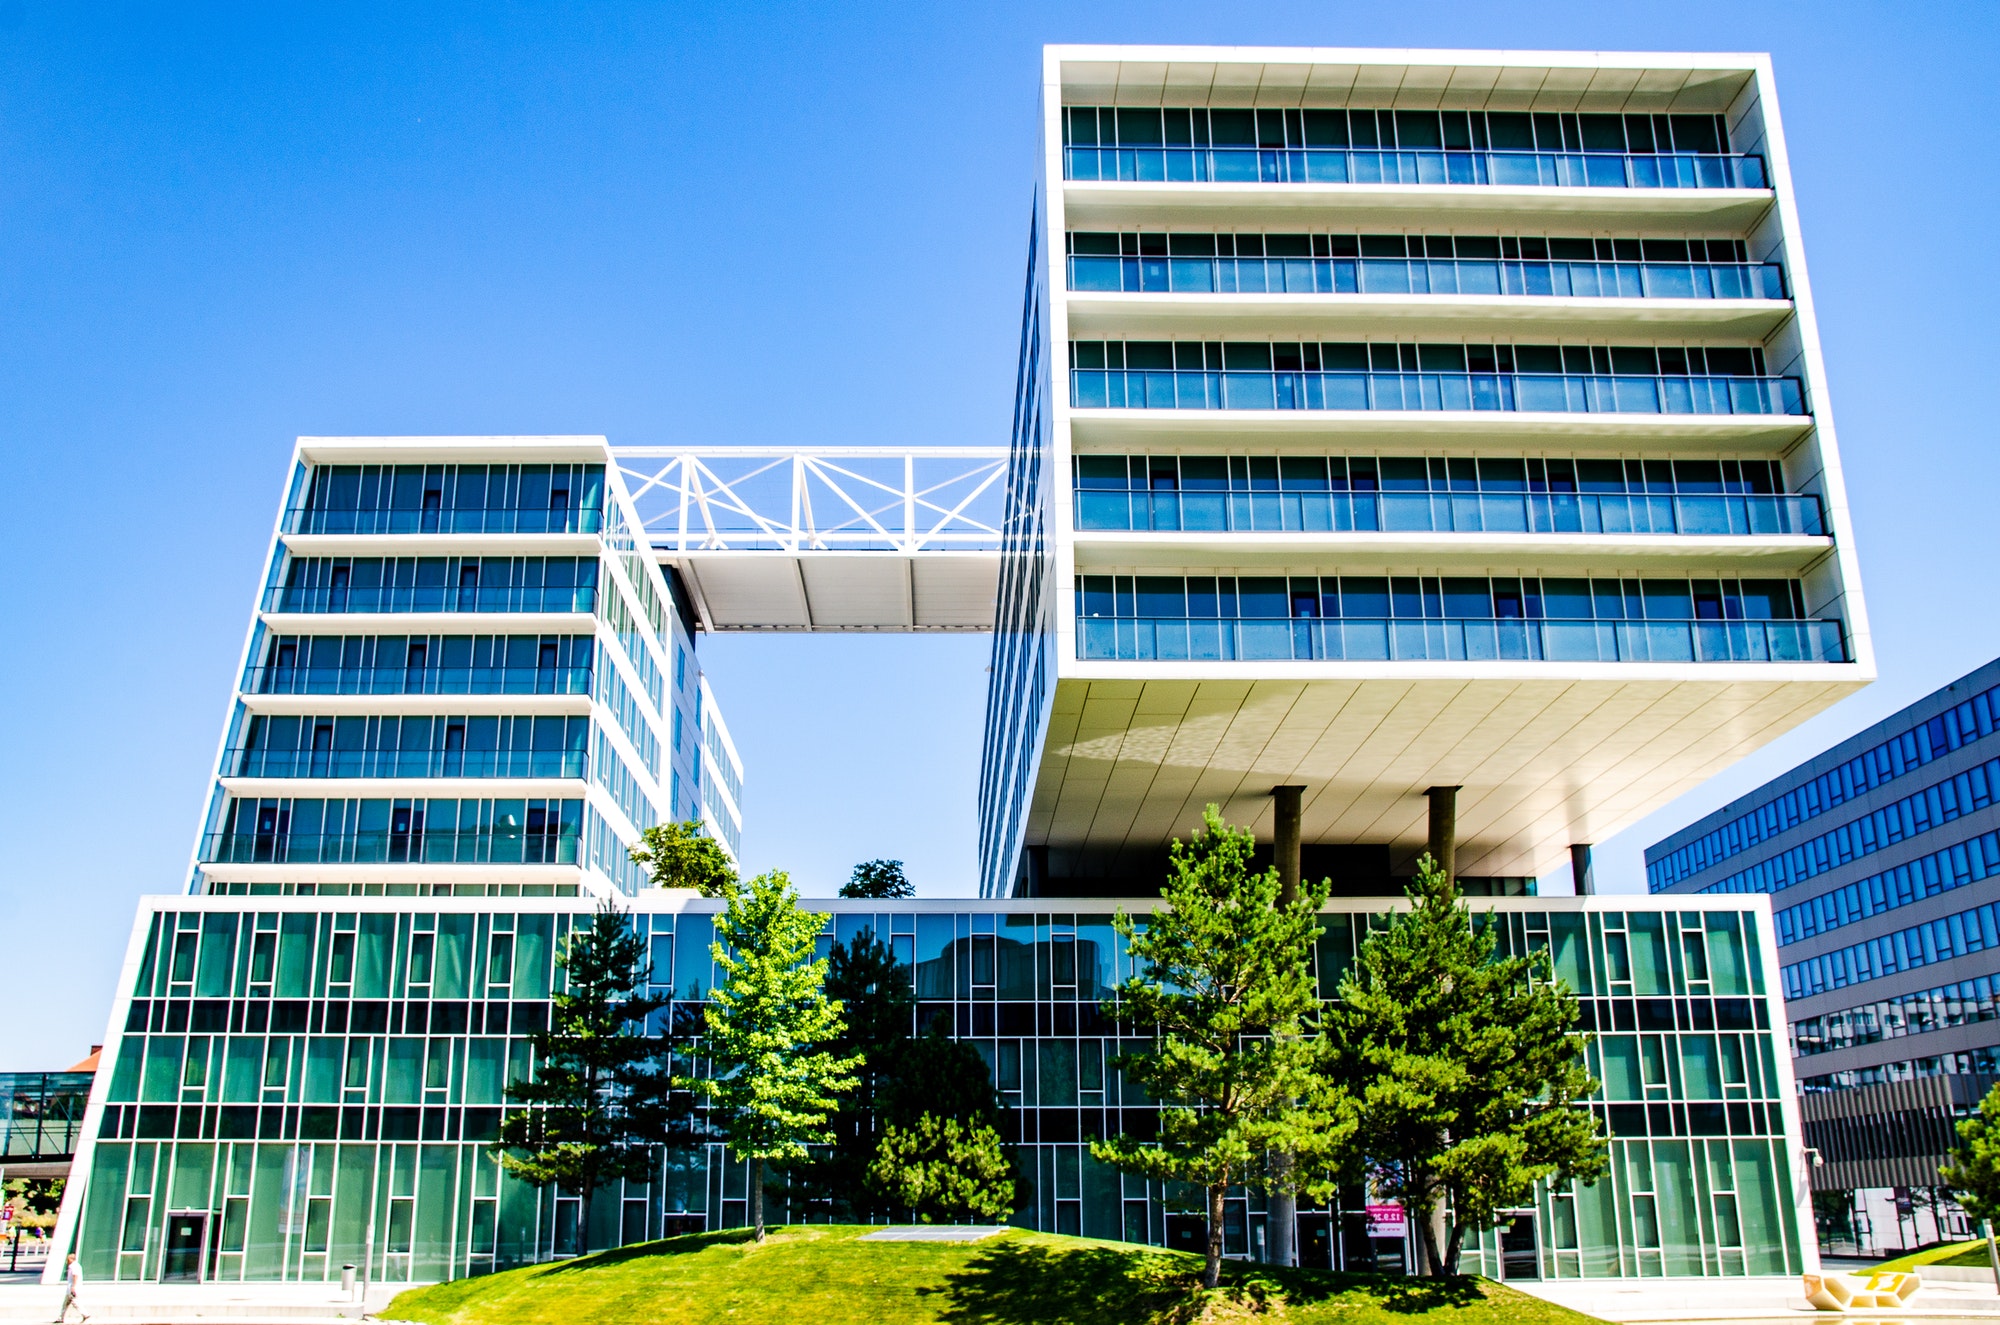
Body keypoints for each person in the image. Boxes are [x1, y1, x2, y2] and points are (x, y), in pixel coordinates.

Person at [53, 1251, 86, 1323]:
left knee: (74, 1302)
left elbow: (75, 1276)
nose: (67, 1261)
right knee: (66, 1304)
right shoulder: (78, 1265)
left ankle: (85, 1314)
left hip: (72, 1287)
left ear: (71, 1259)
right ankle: (60, 1318)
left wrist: (73, 1287)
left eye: (68, 1259)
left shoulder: (73, 1266)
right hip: (73, 1287)